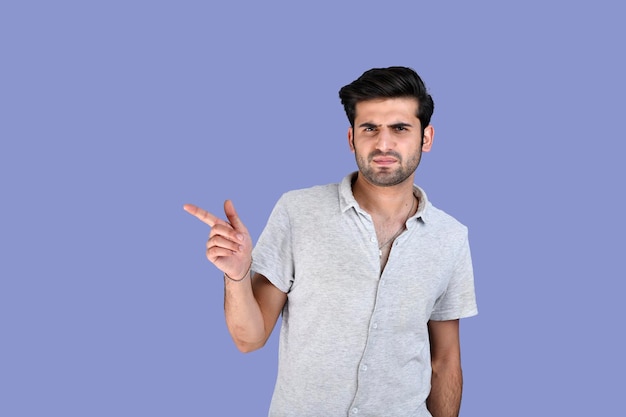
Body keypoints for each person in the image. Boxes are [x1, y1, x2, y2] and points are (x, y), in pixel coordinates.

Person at [184, 66, 478, 417]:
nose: (384, 144)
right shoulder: (298, 211)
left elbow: (445, 361)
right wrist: (236, 276)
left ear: (426, 138)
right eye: (370, 128)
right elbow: (249, 338)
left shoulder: (451, 237)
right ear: (352, 138)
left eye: (400, 128)